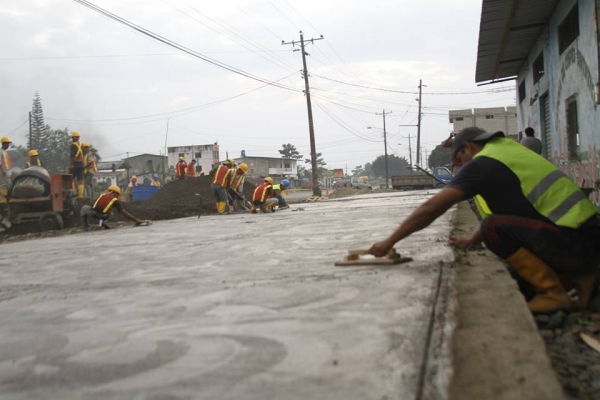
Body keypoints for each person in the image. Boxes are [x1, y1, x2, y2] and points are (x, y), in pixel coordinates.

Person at [369, 127, 600, 313]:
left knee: (492, 229)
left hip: (575, 242)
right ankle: (579, 278)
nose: (461, 167)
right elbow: (514, 216)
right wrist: (471, 240)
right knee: (505, 250)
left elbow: (431, 208)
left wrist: (390, 241)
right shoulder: (508, 151)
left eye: (460, 159)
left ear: (469, 148)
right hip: (587, 236)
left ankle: (553, 293)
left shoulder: (483, 163)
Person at [69, 131, 85, 199]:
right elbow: (83, 154)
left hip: (75, 164)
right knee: (80, 179)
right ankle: (80, 196)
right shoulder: (81, 145)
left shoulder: (73, 145)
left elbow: (72, 156)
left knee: (71, 178)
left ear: (73, 138)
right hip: (81, 164)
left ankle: (72, 194)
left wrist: (71, 164)